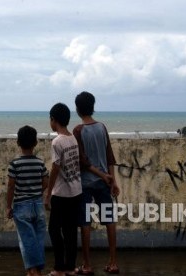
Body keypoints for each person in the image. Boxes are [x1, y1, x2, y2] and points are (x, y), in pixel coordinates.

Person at [73, 91, 120, 275]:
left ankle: (86, 265)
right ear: (93, 107)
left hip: (85, 184)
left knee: (85, 223)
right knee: (109, 220)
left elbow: (82, 162)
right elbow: (110, 157)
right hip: (104, 182)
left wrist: (101, 175)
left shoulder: (78, 130)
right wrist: (111, 179)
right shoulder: (102, 127)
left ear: (77, 109)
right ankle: (113, 262)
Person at [45, 103, 83, 276]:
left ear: (54, 120)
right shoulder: (72, 138)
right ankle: (70, 267)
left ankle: (59, 267)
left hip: (61, 193)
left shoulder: (57, 142)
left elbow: (55, 168)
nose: (50, 123)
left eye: (50, 119)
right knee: (70, 230)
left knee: (54, 229)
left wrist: (48, 194)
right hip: (76, 191)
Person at [7, 125, 49, 276]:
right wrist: (38, 192)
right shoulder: (40, 162)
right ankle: (34, 270)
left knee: (27, 241)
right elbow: (46, 182)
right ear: (36, 143)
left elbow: (11, 187)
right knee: (37, 240)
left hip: (21, 205)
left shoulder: (14, 164)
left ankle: (33, 271)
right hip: (37, 205)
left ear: (18, 143)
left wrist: (8, 206)